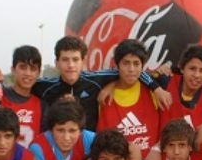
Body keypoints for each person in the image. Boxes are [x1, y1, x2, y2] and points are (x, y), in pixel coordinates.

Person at [32, 35, 169, 132]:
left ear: (83, 61)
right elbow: (21, 86)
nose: (70, 65)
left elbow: (132, 72)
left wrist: (156, 88)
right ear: (56, 63)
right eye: (65, 60)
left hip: (90, 150)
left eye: (75, 59)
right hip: (59, 149)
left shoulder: (95, 80)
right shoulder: (43, 86)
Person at [148, 44, 202, 160]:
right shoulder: (166, 81)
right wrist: (156, 88)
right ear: (182, 68)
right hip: (161, 158)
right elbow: (138, 75)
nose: (197, 75)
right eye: (192, 68)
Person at [97, 39, 160, 158]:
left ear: (142, 66)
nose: (131, 69)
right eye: (126, 63)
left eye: (136, 63)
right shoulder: (103, 95)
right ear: (117, 65)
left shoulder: (154, 92)